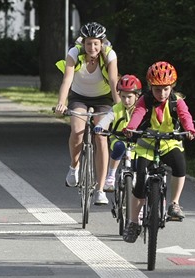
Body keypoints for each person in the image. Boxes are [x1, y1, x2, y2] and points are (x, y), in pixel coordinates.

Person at [122, 61, 195, 243]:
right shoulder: (145, 100)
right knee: (139, 181)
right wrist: (131, 127)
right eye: (157, 89)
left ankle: (175, 203)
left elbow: (186, 116)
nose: (162, 93)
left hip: (169, 143)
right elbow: (138, 113)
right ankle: (133, 223)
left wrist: (190, 129)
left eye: (166, 89)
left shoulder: (176, 101)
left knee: (180, 165)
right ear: (150, 87)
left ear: (172, 87)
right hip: (147, 144)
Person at [55, 22, 121, 205]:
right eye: (89, 43)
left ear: (102, 43)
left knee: (100, 136)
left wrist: (120, 108)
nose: (92, 48)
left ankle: (100, 190)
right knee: (77, 130)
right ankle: (73, 167)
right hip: (79, 97)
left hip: (104, 98)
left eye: (96, 44)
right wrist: (61, 103)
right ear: (83, 43)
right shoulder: (74, 54)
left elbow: (115, 81)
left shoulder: (109, 55)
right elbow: (67, 80)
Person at [93, 74, 143, 192]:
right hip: (119, 138)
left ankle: (137, 202)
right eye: (123, 96)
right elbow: (107, 119)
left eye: (129, 97)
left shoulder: (141, 109)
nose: (126, 100)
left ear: (137, 96)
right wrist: (100, 126)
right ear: (119, 95)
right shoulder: (116, 108)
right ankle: (111, 176)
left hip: (137, 143)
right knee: (119, 147)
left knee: (138, 165)